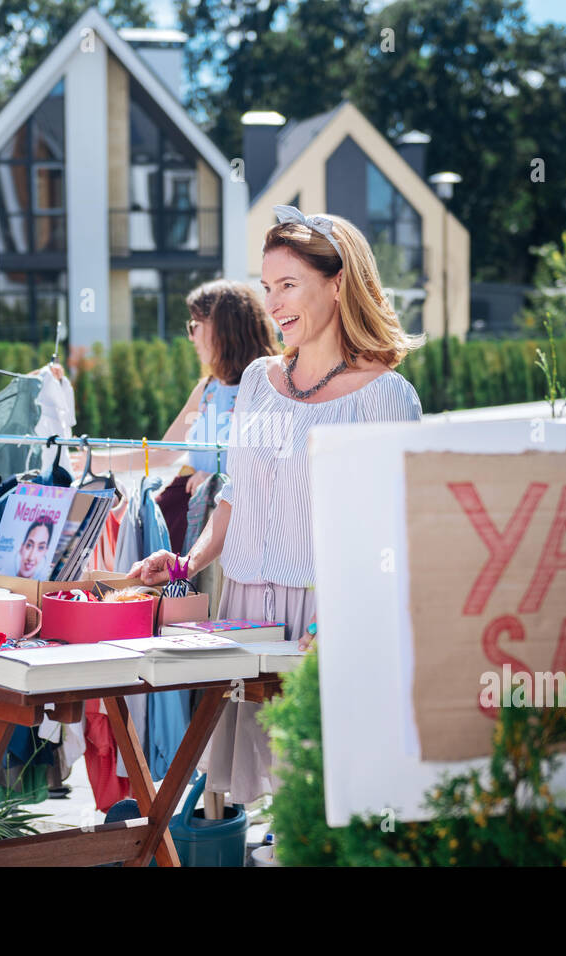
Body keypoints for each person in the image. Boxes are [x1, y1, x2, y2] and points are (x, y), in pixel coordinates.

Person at [130, 206, 424, 808]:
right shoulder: (260, 381)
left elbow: (390, 537)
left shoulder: (388, 396)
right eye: (267, 287)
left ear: (339, 283)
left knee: (327, 796)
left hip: (325, 617)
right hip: (245, 614)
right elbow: (235, 495)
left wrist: (340, 620)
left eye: (289, 285)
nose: (274, 303)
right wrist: (186, 564)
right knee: (258, 803)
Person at [92, 279, 278, 550]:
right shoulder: (206, 389)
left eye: (195, 326)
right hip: (194, 511)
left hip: (235, 527)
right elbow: (162, 452)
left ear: (222, 328)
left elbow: (271, 465)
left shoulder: (267, 386)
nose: (191, 337)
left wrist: (216, 479)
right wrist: (94, 460)